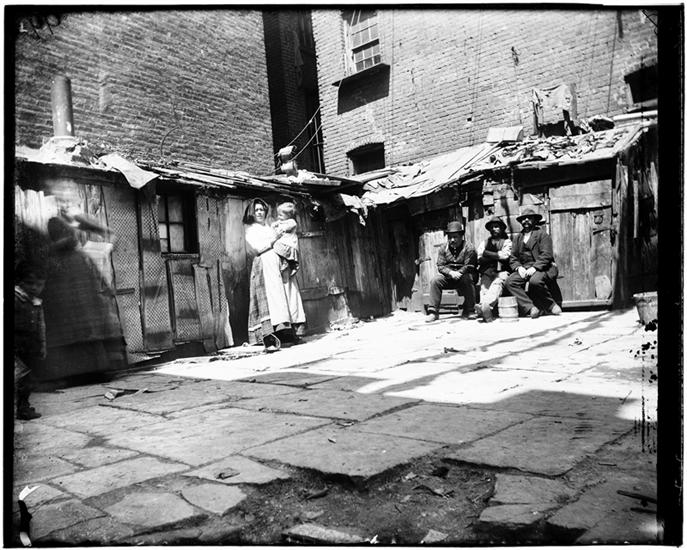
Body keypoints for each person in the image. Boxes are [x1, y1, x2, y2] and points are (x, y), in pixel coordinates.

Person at [244, 198, 306, 351]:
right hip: (265, 264)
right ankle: (271, 336)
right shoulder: (251, 230)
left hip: (281, 263)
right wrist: (274, 238)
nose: (260, 212)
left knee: (288, 296)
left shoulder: (270, 226)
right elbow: (258, 248)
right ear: (252, 212)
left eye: (262, 209)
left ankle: (290, 333)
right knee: (272, 298)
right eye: (256, 210)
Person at [504, 208, 563, 318]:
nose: (526, 220)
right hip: (525, 268)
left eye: (529, 218)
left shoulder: (542, 235)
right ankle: (531, 308)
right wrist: (518, 268)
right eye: (523, 219)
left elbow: (546, 255)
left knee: (535, 281)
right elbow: (513, 257)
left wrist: (535, 268)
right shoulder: (518, 238)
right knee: (510, 282)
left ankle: (551, 305)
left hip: (545, 267)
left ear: (535, 220)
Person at [425, 220, 477, 322]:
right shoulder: (443, 248)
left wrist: (459, 273)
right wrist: (451, 273)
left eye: (455, 237)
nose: (452, 240)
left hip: (465, 275)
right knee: (435, 281)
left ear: (461, 236)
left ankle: (470, 310)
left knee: (467, 279)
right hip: (450, 276)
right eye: (450, 237)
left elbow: (469, 265)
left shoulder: (469, 248)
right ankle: (433, 312)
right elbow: (440, 265)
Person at [14, 261, 46, 420]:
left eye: (39, 284)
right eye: (30, 283)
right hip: (16, 348)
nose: (34, 288)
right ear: (20, 281)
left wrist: (42, 347)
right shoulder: (16, 299)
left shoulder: (36, 302)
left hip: (29, 348)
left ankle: (23, 406)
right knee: (20, 379)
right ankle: (21, 407)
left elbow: (41, 327)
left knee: (27, 381)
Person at [476, 216, 512, 322]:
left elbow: (505, 256)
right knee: (484, 287)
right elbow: (479, 257)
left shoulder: (506, 242)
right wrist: (494, 255)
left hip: (502, 271)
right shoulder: (485, 242)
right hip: (487, 270)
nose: (494, 229)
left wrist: (487, 254)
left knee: (497, 284)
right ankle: (486, 312)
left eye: (496, 227)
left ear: (501, 228)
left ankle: (484, 306)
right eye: (492, 227)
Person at [271, 201, 300, 277]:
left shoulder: (291, 221)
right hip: (285, 242)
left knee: (283, 250)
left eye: (280, 215)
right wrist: (274, 225)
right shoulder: (281, 221)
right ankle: (286, 263)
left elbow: (290, 226)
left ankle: (291, 265)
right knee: (278, 249)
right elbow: (275, 224)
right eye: (278, 215)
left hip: (289, 243)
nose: (278, 217)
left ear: (288, 215)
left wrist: (284, 228)